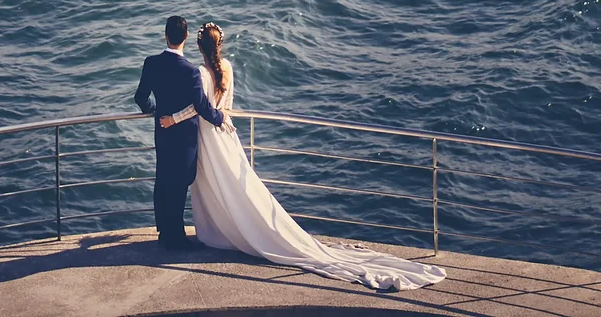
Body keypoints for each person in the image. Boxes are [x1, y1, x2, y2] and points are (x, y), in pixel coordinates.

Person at [186, 22, 447, 292]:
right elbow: (227, 108)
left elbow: (199, 109)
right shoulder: (227, 67)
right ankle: (244, 227)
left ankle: (220, 232)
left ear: (198, 47)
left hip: (208, 138)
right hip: (227, 134)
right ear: (220, 45)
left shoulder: (199, 74)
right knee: (238, 187)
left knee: (215, 185)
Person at [134, 16, 225, 248]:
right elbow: (202, 107)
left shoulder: (151, 63)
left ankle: (165, 231)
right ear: (185, 37)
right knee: (180, 182)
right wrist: (220, 118)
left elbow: (140, 97)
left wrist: (153, 111)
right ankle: (176, 237)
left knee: (164, 178)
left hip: (163, 131)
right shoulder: (191, 71)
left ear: (165, 35)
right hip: (184, 136)